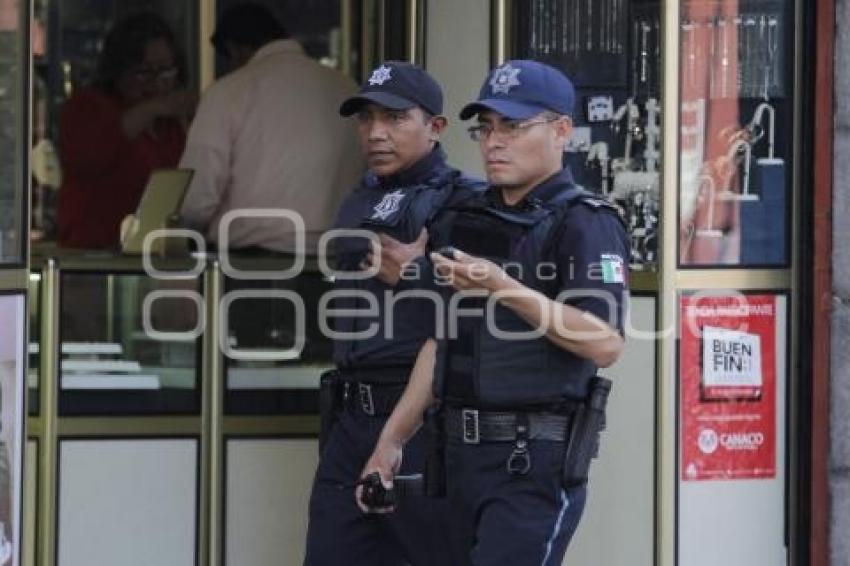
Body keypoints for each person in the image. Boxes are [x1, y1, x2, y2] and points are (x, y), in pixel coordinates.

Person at [361, 60, 630, 565]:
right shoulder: (468, 219)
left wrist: (503, 287)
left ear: (562, 131)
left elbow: (604, 342)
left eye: (513, 126)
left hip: (530, 460)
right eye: (485, 128)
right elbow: (441, 341)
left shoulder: (585, 221)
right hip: (455, 458)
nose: (493, 141)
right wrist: (391, 441)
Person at [303, 61, 483, 566]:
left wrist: (419, 272)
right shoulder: (361, 196)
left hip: (420, 415)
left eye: (395, 118)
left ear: (435, 127)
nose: (376, 133)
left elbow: (472, 318)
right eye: (366, 119)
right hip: (350, 412)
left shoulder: (463, 202)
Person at [178, 2, 361, 252]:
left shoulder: (229, 92)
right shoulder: (347, 89)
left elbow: (198, 195)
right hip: (339, 259)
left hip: (252, 264)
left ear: (235, 51)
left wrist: (180, 228)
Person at [57, 12, 195, 248]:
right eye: (144, 72)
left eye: (166, 71)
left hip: (155, 249)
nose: (156, 82)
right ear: (119, 70)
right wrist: (150, 109)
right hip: (95, 251)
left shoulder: (170, 123)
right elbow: (90, 153)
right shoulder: (89, 107)